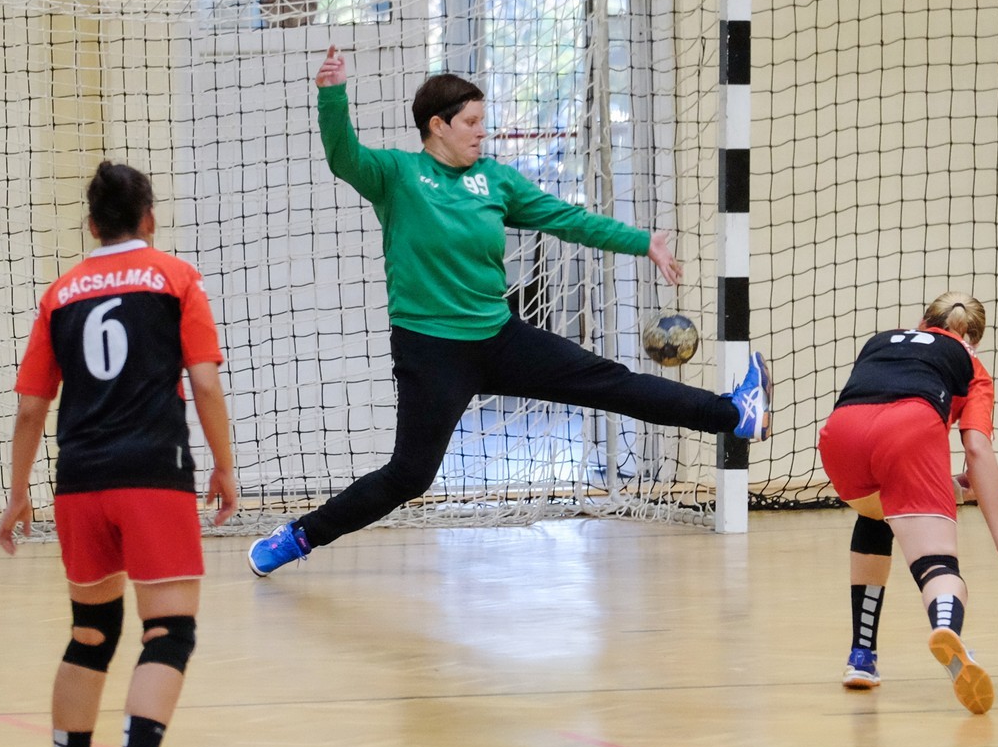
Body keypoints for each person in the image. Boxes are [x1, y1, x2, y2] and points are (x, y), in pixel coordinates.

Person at [246, 46, 771, 578]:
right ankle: (299, 536)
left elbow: (564, 218)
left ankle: (736, 414)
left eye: (483, 121)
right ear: (437, 125)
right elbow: (344, 157)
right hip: (431, 350)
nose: (482, 132)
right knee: (410, 476)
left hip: (499, 338)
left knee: (613, 383)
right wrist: (332, 95)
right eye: (471, 122)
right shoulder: (397, 174)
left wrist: (642, 243)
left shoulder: (494, 180)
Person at [0, 161, 237, 747]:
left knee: (91, 634)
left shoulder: (60, 293)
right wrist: (224, 466)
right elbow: (205, 384)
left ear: (91, 225)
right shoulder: (176, 278)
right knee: (169, 632)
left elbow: (31, 407)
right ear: (149, 219)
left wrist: (17, 494)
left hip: (78, 483)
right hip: (151, 475)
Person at [818, 292, 998, 714]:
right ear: (974, 338)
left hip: (840, 437)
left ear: (923, 321)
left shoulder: (882, 340)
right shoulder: (972, 365)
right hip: (910, 430)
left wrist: (942, 487)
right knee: (936, 566)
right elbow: (977, 450)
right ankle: (946, 629)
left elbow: (872, 413)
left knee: (877, 513)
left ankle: (862, 656)